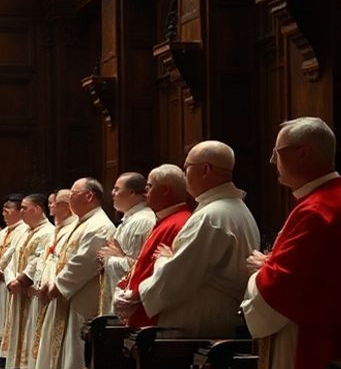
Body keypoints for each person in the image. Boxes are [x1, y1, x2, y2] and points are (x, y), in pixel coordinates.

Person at [242, 117, 341, 369]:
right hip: (321, 329)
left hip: (307, 339)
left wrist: (261, 269)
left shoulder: (316, 210)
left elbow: (281, 285)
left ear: (303, 154)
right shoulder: (322, 201)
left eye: (277, 152)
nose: (272, 161)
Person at [134, 140, 259, 337]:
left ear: (205, 169)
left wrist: (163, 260)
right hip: (220, 316)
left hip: (199, 324)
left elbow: (176, 278)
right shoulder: (238, 209)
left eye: (187, 168)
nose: (184, 176)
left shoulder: (211, 216)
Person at [44, 177, 115, 369]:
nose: (69, 198)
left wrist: (59, 285)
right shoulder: (84, 222)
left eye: (73, 193)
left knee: (77, 349)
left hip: (84, 295)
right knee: (69, 349)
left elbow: (83, 261)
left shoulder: (98, 225)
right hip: (73, 294)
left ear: (89, 196)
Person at [113, 165, 192, 328]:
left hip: (153, 319)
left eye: (149, 187)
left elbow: (169, 275)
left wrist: (133, 295)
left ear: (165, 190)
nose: (145, 192)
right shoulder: (164, 221)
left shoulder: (180, 223)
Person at [29, 189, 78, 369]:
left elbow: (65, 262)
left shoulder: (71, 228)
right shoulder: (60, 229)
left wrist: (51, 285)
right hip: (46, 289)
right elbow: (46, 259)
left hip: (58, 292)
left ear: (66, 207)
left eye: (54, 203)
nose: (50, 207)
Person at [0, 194, 53, 369]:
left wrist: (22, 280)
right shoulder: (23, 231)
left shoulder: (47, 232)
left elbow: (39, 260)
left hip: (30, 291)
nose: (20, 211)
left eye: (24, 207)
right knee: (16, 327)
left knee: (30, 328)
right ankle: (16, 367)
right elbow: (9, 258)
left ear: (37, 209)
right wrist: (10, 279)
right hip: (16, 288)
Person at [98, 172, 154, 314]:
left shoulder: (143, 221)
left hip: (129, 302)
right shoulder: (129, 219)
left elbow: (141, 267)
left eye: (117, 189)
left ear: (131, 193)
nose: (113, 193)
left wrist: (113, 258)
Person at [0, 194, 26, 366]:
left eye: (7, 210)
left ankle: (7, 354)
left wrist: (2, 270)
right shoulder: (0, 234)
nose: (3, 214)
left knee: (8, 316)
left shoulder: (24, 231)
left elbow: (15, 255)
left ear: (18, 212)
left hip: (8, 280)